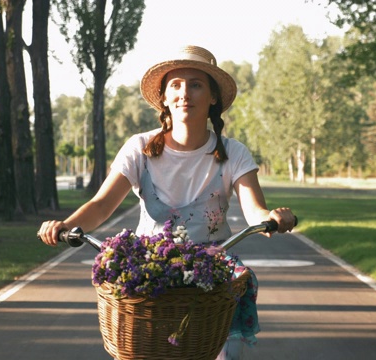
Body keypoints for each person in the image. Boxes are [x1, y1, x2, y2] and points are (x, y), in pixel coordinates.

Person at [37, 45, 296, 359]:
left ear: (213, 97)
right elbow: (103, 204)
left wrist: (271, 217)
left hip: (211, 269)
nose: (184, 92)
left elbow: (254, 209)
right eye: (175, 85)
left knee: (223, 348)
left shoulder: (233, 152)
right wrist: (67, 226)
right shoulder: (140, 148)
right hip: (151, 270)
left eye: (196, 84)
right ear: (164, 97)